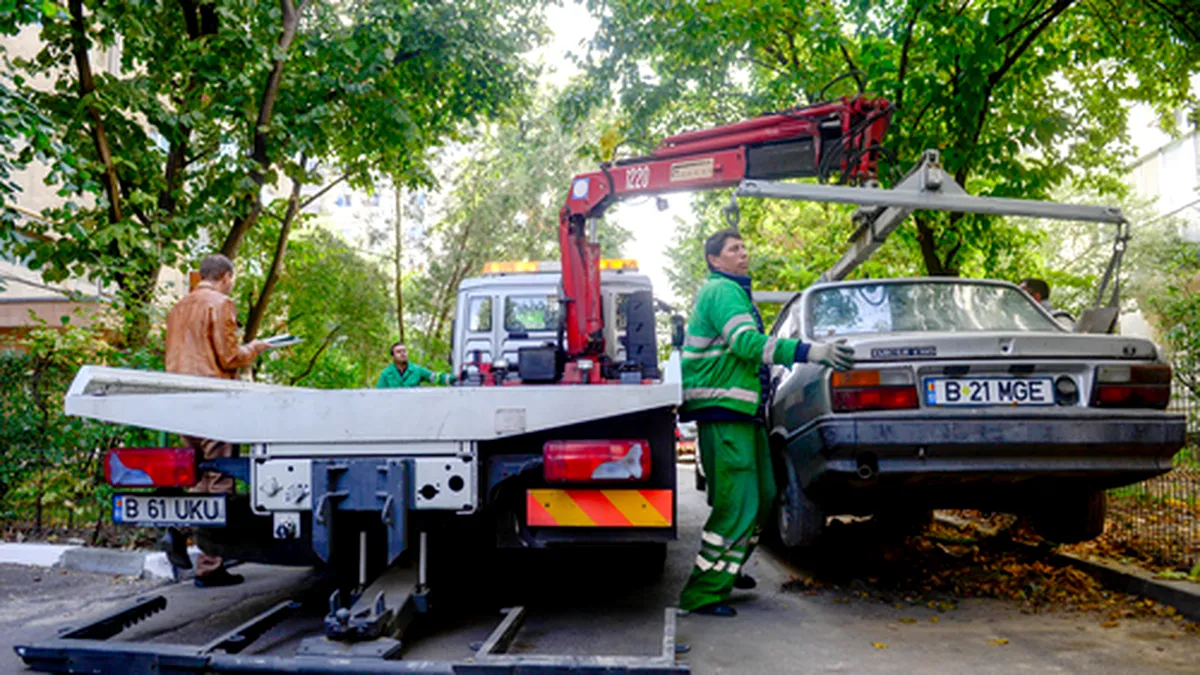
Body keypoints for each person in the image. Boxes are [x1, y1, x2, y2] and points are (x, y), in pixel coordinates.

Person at [678, 229, 853, 617]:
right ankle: (703, 593)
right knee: (738, 502)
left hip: (743, 412)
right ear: (714, 260)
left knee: (764, 497)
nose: (743, 253)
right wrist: (811, 351)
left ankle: (728, 568)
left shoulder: (735, 293)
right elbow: (746, 344)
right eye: (733, 249)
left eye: (744, 247)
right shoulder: (722, 291)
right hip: (724, 410)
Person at [159, 253, 270, 588]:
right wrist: (255, 348)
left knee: (197, 476)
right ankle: (210, 565)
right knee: (220, 477)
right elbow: (229, 356)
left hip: (180, 397)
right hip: (212, 398)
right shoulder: (221, 304)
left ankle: (181, 532)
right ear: (225, 277)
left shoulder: (178, 308)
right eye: (232, 279)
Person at [376, 341, 455, 388]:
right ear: (393, 356)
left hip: (414, 407)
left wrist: (454, 378)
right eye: (399, 352)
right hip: (394, 408)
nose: (402, 353)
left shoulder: (417, 370)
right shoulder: (386, 374)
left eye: (404, 351)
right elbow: (379, 395)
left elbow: (435, 377)